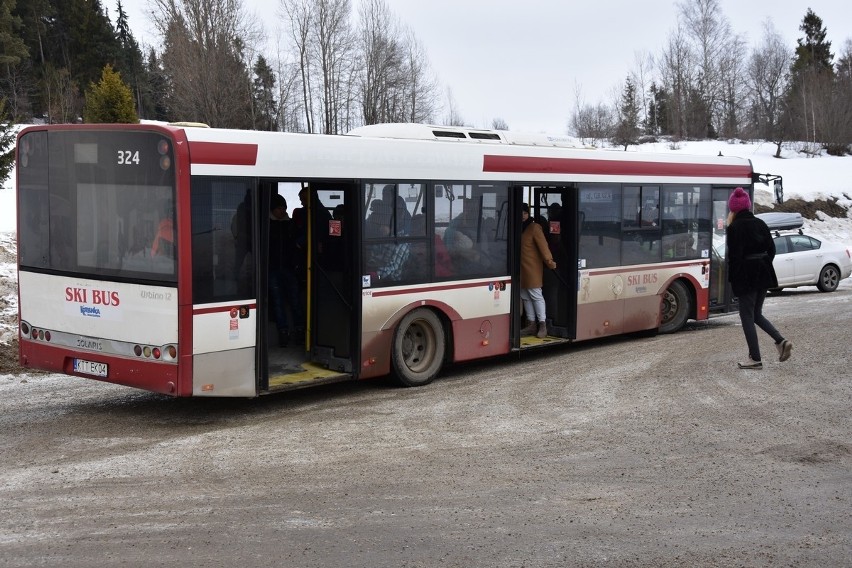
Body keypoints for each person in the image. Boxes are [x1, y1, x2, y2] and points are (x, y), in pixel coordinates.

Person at [726, 187, 793, 369]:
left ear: (733, 209)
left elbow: (735, 258)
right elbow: (771, 250)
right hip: (764, 274)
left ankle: (755, 358)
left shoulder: (734, 228)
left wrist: (734, 282)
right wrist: (762, 264)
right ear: (747, 206)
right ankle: (781, 341)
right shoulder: (761, 223)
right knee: (756, 314)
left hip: (746, 277)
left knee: (746, 315)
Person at [268, 194, 303, 347]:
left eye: (284, 208)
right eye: (279, 208)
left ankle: (299, 330)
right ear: (272, 209)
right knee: (278, 302)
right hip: (273, 269)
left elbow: (296, 245)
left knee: (295, 301)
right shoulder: (267, 224)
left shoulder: (290, 224)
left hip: (289, 268)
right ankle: (283, 332)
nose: (282, 211)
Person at [520, 203, 556, 338]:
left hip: (532, 268)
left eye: (524, 213)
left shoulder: (534, 227)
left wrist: (550, 262)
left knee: (535, 295)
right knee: (525, 296)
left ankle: (542, 324)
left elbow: (544, 247)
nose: (522, 216)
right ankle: (531, 324)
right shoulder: (518, 227)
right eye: (520, 213)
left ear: (528, 214)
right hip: (521, 269)